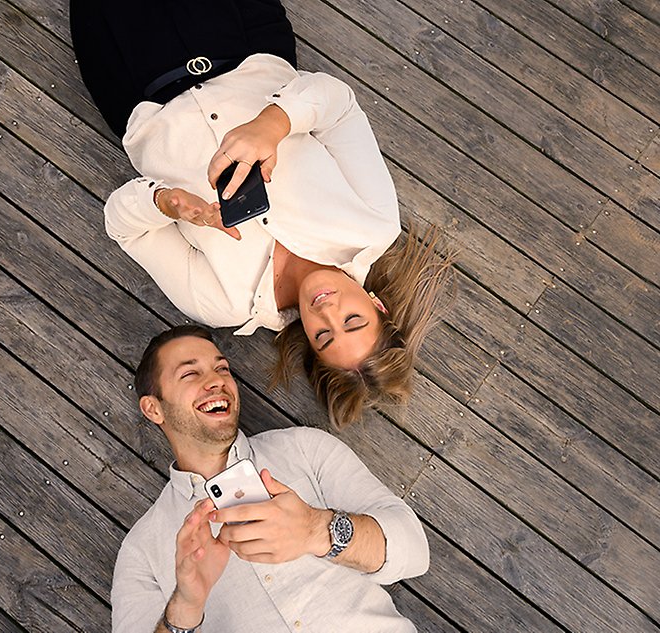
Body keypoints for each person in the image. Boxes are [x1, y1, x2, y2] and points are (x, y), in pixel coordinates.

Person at [71, 0, 453, 428]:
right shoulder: (372, 225)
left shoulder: (227, 304)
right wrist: (273, 124)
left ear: (309, 342)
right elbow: (338, 104)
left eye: (324, 336)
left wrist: (164, 203)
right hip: (238, 42)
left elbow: (125, 228)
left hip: (137, 85)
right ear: (378, 305)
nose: (326, 312)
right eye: (352, 320)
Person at [112, 324, 429, 632]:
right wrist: (185, 607)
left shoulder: (304, 448)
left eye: (222, 369)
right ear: (154, 409)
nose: (216, 381)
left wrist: (317, 530)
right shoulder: (141, 550)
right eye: (190, 373)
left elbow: (414, 550)